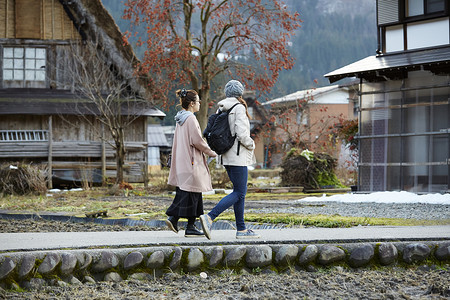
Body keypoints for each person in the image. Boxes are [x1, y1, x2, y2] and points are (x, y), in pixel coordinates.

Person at [199, 80, 260, 240]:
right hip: (238, 156)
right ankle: (210, 217)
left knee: (239, 193)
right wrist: (251, 144)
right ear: (240, 93)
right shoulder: (239, 108)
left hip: (225, 155)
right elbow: (241, 133)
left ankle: (241, 229)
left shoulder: (221, 108)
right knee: (240, 192)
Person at [166, 88, 217, 237]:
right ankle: (187, 225)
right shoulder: (191, 119)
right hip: (192, 161)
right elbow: (197, 141)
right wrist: (211, 152)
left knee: (188, 192)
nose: (200, 103)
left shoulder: (180, 119)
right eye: (198, 101)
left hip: (182, 160)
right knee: (194, 193)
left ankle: (180, 221)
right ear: (192, 103)